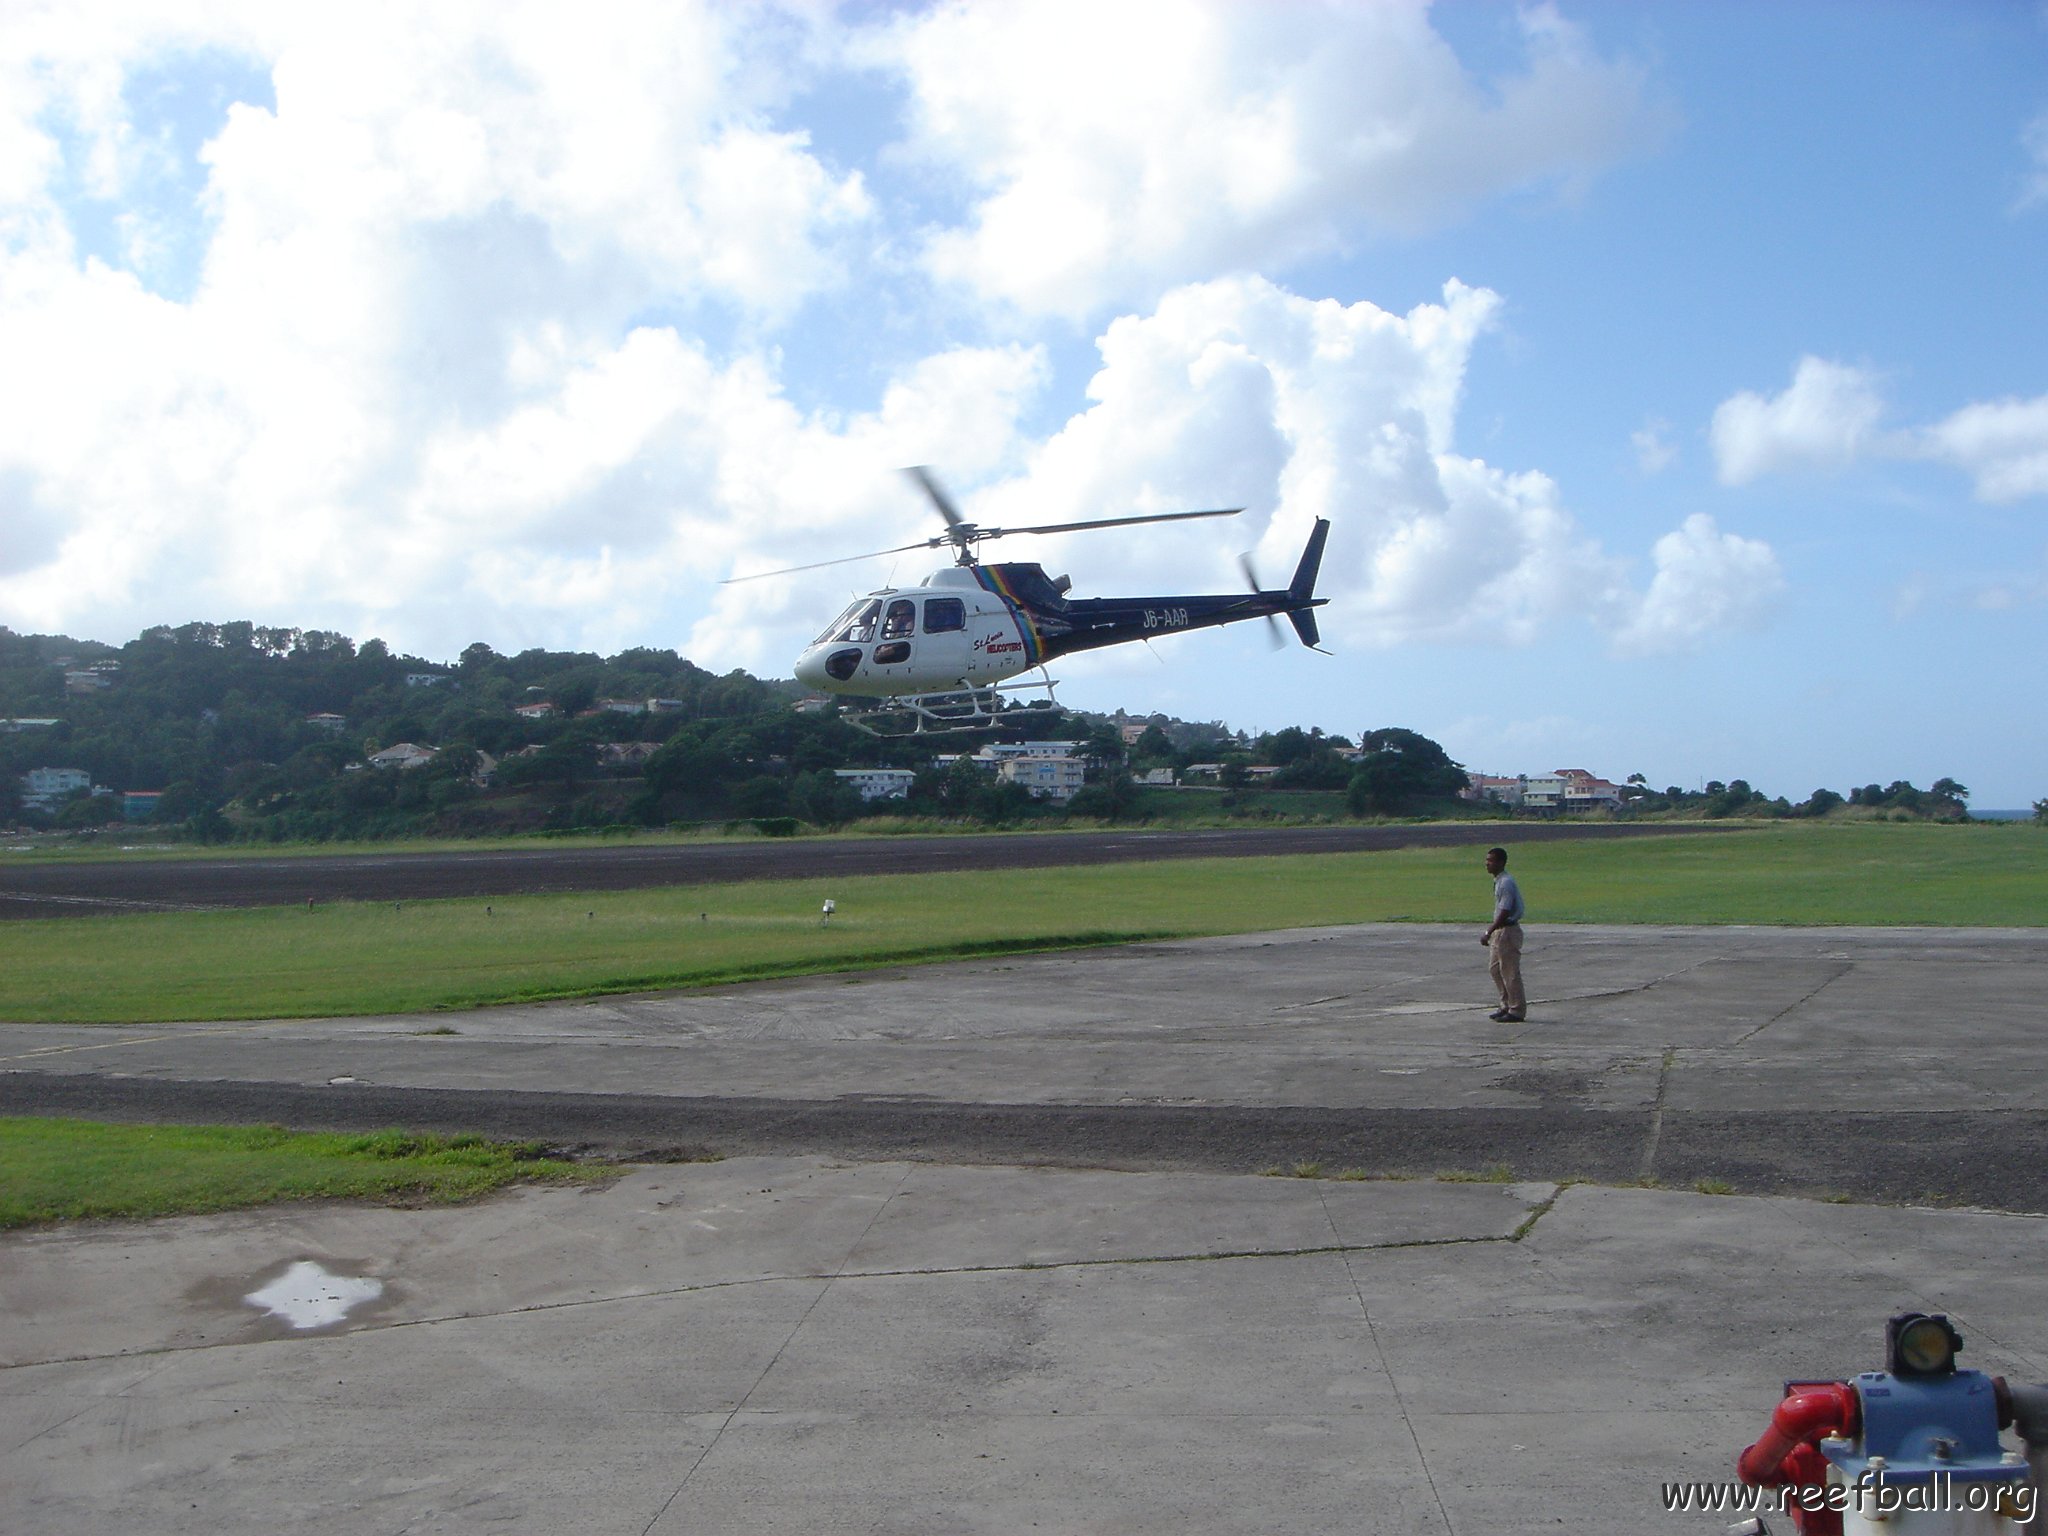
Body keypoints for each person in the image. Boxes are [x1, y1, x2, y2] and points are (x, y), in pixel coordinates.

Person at [1480, 846, 1526, 1022]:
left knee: (1510, 972)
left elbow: (1505, 911)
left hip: (1507, 930)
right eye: (1487, 860)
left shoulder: (1506, 882)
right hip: (1500, 931)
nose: (1487, 864)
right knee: (1495, 970)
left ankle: (1516, 1010)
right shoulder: (1499, 880)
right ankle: (1505, 1004)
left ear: (1501, 862)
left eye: (1491, 860)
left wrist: (1488, 931)